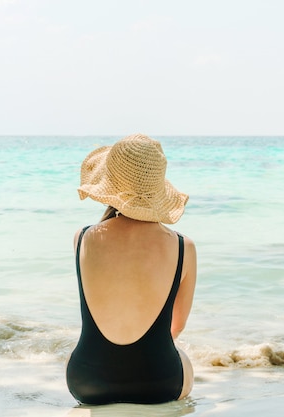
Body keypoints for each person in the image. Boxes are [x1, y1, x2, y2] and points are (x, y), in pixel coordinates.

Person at [66, 134, 196, 404]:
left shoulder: (83, 238)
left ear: (108, 183)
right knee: (182, 358)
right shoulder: (184, 247)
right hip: (159, 383)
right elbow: (177, 326)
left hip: (88, 382)